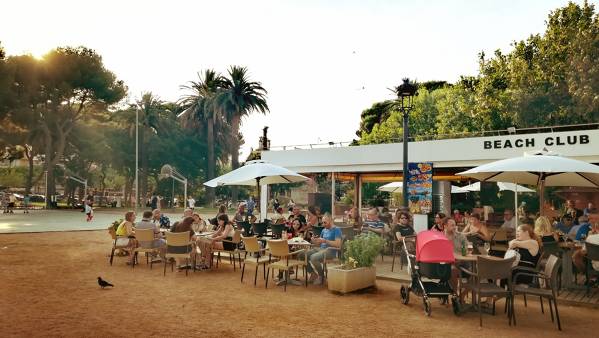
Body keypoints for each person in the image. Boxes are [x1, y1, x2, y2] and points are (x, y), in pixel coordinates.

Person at [298, 213, 342, 286]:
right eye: (322, 222)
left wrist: (325, 241)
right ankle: (312, 273)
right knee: (301, 255)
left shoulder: (337, 229)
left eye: (325, 222)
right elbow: (318, 243)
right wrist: (314, 240)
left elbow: (338, 244)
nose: (323, 224)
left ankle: (321, 276)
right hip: (320, 249)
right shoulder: (324, 230)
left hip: (330, 251)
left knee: (313, 257)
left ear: (330, 221)